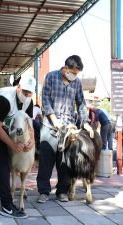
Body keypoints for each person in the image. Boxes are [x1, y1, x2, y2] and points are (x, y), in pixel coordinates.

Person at [36, 55, 94, 204]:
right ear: (66, 68)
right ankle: (43, 191)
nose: (75, 76)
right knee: (46, 161)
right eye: (73, 72)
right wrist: (54, 119)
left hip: (69, 129)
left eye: (77, 74)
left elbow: (81, 103)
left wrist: (85, 122)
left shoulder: (77, 84)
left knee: (65, 162)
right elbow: (45, 99)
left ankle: (62, 191)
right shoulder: (51, 77)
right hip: (50, 127)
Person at [0, 74, 36, 218]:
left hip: (4, 124)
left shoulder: (29, 101)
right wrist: (12, 144)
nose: (27, 95)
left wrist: (32, 140)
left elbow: (29, 124)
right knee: (3, 160)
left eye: (30, 92)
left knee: (2, 157)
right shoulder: (6, 100)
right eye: (24, 92)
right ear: (18, 87)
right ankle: (7, 206)